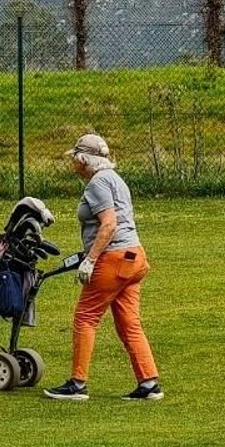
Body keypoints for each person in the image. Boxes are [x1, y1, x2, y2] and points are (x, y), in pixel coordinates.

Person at [44, 133, 163, 402]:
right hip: (134, 258)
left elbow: (109, 224)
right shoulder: (115, 180)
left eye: (75, 156)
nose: (72, 161)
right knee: (129, 323)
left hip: (113, 259)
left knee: (85, 317)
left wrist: (90, 259)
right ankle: (149, 383)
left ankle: (77, 384)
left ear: (85, 159)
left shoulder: (97, 184)